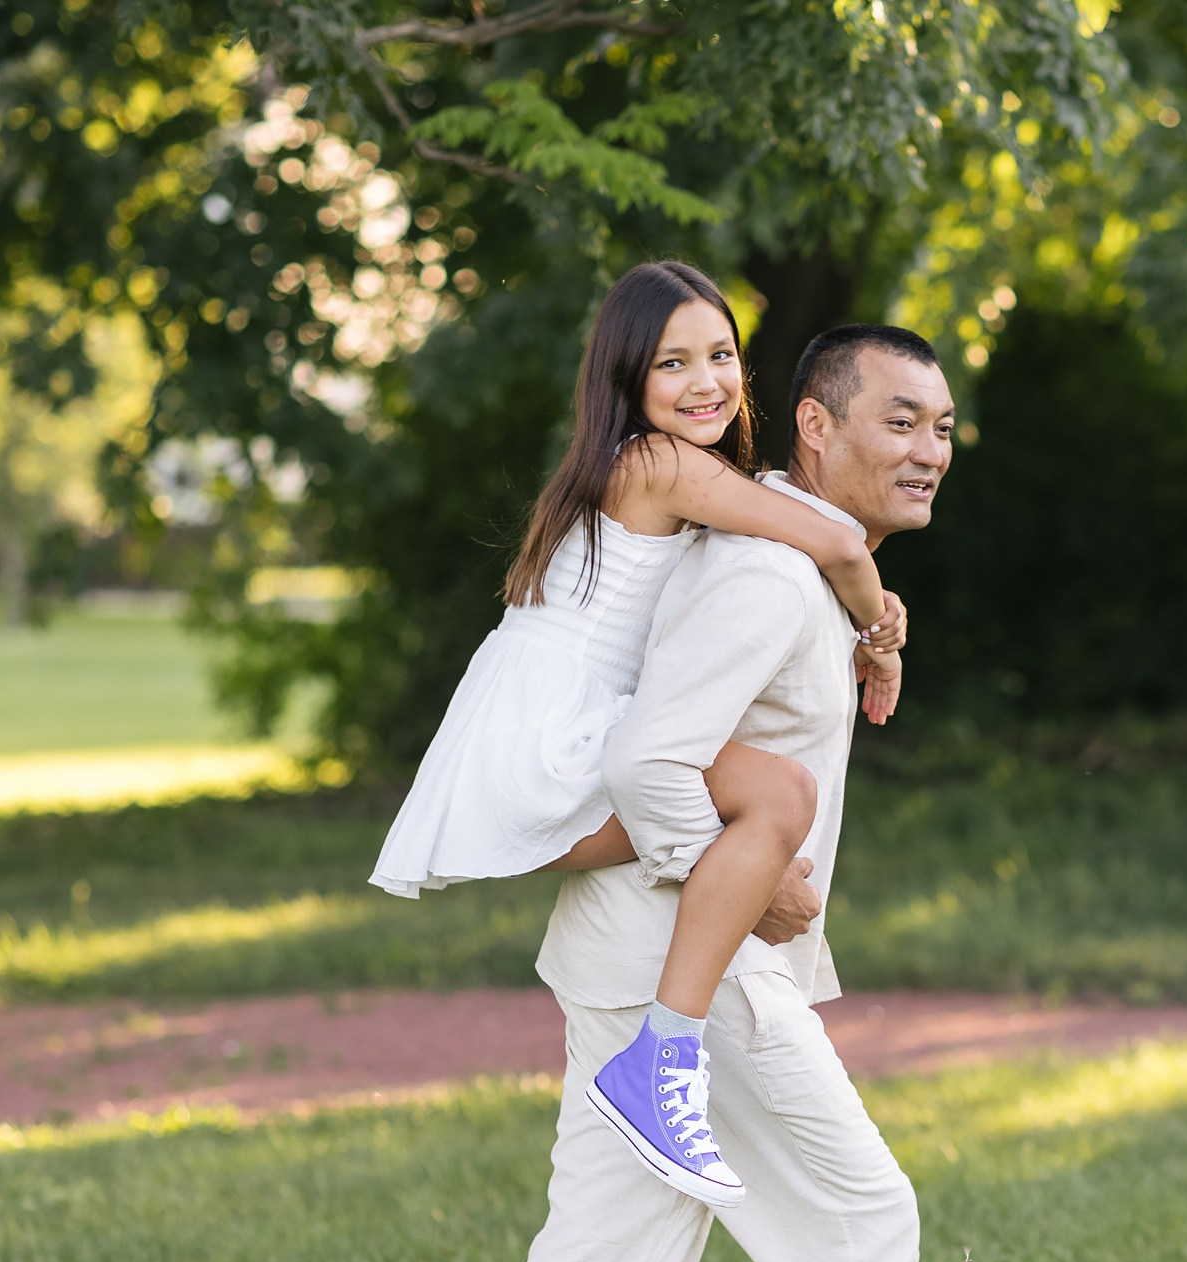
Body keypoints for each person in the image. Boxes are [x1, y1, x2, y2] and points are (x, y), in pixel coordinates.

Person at [429, 324, 1063, 1262]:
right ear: (816, 429)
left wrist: (872, 615)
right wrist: (763, 876)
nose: (929, 448)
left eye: (942, 426)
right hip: (695, 969)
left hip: (635, 955)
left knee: (601, 1260)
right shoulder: (770, 574)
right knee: (863, 1214)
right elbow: (654, 758)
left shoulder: (794, 562)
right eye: (900, 420)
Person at [370, 261, 907, 1207]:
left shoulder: (627, 467)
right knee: (779, 795)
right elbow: (835, 541)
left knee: (763, 816)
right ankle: (663, 1058)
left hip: (525, 738)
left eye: (722, 356)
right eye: (672, 363)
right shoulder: (661, 465)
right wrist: (882, 637)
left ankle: (669, 1045)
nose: (706, 382)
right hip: (555, 741)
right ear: (627, 379)